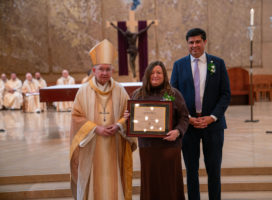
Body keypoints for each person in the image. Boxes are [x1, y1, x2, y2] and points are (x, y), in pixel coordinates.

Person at [70, 39, 136, 200]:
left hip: (115, 145)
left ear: (112, 70)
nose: (105, 73)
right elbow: (76, 117)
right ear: (94, 70)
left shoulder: (120, 91)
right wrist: (95, 128)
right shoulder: (83, 91)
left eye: (108, 69)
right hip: (92, 146)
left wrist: (119, 125)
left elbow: (128, 115)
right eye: (101, 69)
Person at [170, 28, 231, 200]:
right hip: (188, 127)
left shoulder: (217, 63)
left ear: (205, 42)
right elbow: (171, 95)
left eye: (197, 42)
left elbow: (226, 94)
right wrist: (187, 118)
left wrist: (212, 117)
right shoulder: (178, 65)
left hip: (213, 126)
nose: (194, 45)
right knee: (191, 171)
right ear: (187, 44)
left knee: (214, 170)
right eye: (191, 42)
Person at [130, 61, 189, 200]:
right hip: (148, 148)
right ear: (147, 75)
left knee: (169, 184)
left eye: (159, 72)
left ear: (164, 75)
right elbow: (133, 119)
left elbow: (184, 117)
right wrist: (129, 116)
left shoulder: (173, 93)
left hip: (169, 147)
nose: (155, 75)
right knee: (151, 183)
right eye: (152, 72)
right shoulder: (138, 94)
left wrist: (178, 131)